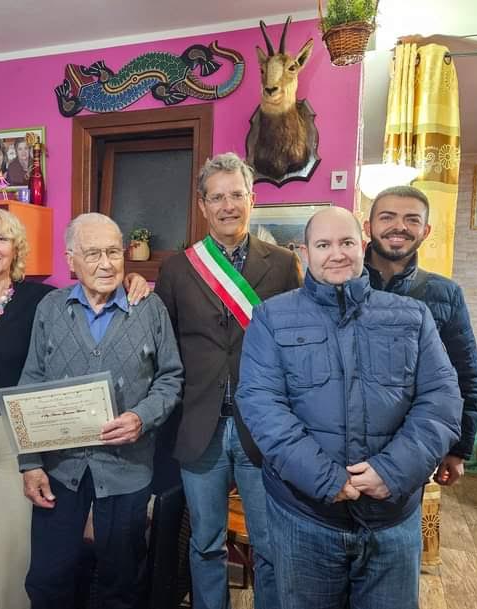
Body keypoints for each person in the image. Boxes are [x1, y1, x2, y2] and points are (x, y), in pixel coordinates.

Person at [236, 207, 462, 609]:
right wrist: (325, 478)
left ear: (363, 245)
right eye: (323, 245)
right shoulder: (271, 318)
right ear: (304, 252)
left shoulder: (412, 317)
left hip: (391, 520)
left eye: (346, 242)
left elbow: (441, 402)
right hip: (306, 516)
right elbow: (261, 405)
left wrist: (390, 471)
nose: (336, 254)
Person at [0, 206, 150, 609]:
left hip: (19, 438)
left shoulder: (42, 300)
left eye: (2, 238)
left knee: (18, 549)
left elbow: (95, 282)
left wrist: (132, 279)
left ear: (16, 247)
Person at [154, 152, 302, 609]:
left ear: (252, 199)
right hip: (200, 426)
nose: (227, 206)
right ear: (202, 205)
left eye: (236, 195)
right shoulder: (177, 269)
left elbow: (296, 344)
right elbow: (164, 347)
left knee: (270, 545)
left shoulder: (283, 264)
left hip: (264, 427)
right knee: (205, 542)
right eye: (217, 197)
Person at [19, 213, 184, 609]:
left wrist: (142, 417)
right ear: (71, 260)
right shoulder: (50, 308)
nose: (106, 264)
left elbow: (171, 378)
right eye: (93, 254)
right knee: (48, 580)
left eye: (113, 252)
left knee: (120, 584)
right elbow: (30, 384)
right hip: (60, 470)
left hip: (127, 470)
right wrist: (30, 463)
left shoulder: (150, 307)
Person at [363, 185, 477, 486]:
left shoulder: (445, 294)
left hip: (411, 451)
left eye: (412, 219)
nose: (399, 227)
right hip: (341, 447)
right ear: (368, 227)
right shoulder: (339, 286)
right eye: (387, 217)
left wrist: (458, 450)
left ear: (426, 231)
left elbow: (465, 374)